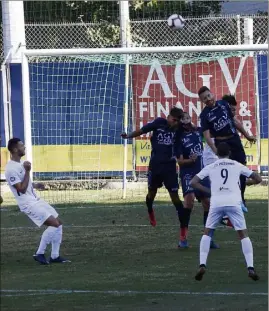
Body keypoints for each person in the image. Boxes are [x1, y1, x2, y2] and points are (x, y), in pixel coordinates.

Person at [190, 142, 261, 281]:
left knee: (207, 232)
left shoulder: (211, 166)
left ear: (217, 154)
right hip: (234, 202)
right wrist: (243, 184)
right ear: (229, 153)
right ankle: (250, 268)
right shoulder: (236, 164)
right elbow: (257, 178)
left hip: (216, 202)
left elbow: (193, 182)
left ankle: (202, 264)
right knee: (243, 234)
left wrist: (209, 191)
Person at [121, 107, 187, 242]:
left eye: (177, 121)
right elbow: (142, 130)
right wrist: (128, 136)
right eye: (173, 120)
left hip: (170, 168)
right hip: (155, 166)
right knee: (151, 193)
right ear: (169, 117)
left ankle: (183, 232)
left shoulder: (179, 129)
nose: (174, 123)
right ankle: (150, 210)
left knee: (175, 198)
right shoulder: (159, 123)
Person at [5, 138, 70, 265]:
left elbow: (25, 184)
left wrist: (35, 185)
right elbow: (21, 189)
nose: (24, 148)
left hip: (36, 200)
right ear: (14, 149)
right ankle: (39, 253)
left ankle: (55, 256)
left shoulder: (20, 164)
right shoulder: (10, 169)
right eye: (21, 146)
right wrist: (28, 171)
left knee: (59, 223)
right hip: (28, 204)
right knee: (54, 224)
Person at [198, 87, 256, 211]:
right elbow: (207, 136)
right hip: (222, 143)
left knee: (241, 168)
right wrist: (215, 150)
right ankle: (231, 201)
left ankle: (240, 198)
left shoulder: (224, 104)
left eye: (208, 96)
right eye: (204, 98)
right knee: (229, 171)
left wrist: (247, 135)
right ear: (202, 101)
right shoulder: (204, 115)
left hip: (234, 139)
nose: (208, 99)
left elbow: (234, 121)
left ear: (212, 94)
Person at [175, 112, 219, 249]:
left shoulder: (198, 132)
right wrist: (190, 160)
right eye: (183, 118)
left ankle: (208, 237)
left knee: (208, 202)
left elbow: (211, 132)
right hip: (187, 172)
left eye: (188, 117)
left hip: (201, 172)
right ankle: (183, 238)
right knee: (189, 201)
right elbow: (180, 161)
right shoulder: (178, 138)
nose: (187, 120)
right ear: (180, 121)